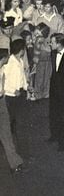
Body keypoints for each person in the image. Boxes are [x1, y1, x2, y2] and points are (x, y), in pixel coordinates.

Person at [0, 40, 26, 174]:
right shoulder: (6, 66)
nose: (6, 60)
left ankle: (15, 163)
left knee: (6, 133)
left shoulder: (4, 68)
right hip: (4, 99)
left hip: (2, 103)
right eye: (4, 59)